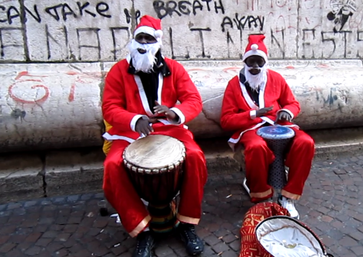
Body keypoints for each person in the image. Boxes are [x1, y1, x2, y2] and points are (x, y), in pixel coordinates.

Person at [101, 15, 207, 257]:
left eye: (149, 38)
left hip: (168, 127)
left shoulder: (175, 68)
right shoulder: (118, 71)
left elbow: (194, 100)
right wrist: (134, 119)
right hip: (129, 131)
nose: (143, 43)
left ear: (157, 42)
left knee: (195, 156)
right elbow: (110, 107)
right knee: (112, 166)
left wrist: (174, 112)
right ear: (133, 40)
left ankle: (188, 223)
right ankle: (142, 230)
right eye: (140, 37)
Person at [220, 34, 315, 219]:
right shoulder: (233, 84)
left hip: (279, 124)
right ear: (245, 62)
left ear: (265, 63)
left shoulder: (276, 78)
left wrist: (287, 111)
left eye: (259, 62)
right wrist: (253, 114)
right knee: (256, 147)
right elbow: (226, 120)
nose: (255, 67)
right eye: (251, 62)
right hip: (251, 127)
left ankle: (288, 196)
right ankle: (261, 194)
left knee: (306, 142)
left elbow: (293, 103)